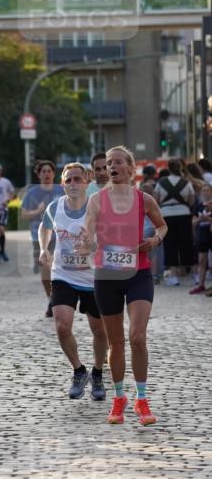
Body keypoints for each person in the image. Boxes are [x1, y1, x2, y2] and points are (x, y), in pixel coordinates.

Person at [78, 146, 167, 426]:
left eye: (117, 162)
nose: (111, 167)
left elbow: (162, 226)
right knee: (115, 341)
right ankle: (119, 398)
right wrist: (85, 242)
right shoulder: (96, 200)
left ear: (131, 169)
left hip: (138, 272)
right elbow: (88, 229)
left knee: (137, 337)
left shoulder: (144, 200)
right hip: (107, 276)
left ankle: (141, 399)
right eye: (107, 163)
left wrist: (155, 240)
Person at [38, 163, 107, 400]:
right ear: (62, 184)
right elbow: (44, 228)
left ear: (87, 182)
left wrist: (93, 246)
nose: (73, 184)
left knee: (99, 330)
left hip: (93, 277)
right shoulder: (55, 207)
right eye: (68, 180)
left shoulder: (96, 208)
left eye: (78, 179)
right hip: (63, 275)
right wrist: (44, 248)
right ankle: (79, 370)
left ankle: (97, 373)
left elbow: (110, 239)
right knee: (62, 326)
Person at [22, 160, 65, 315]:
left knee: (58, 268)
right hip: (38, 236)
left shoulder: (62, 190)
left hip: (60, 235)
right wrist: (37, 211)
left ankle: (60, 299)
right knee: (46, 267)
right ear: (39, 174)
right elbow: (24, 214)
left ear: (54, 174)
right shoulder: (32, 193)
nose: (46, 174)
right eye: (43, 171)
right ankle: (51, 299)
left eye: (49, 171)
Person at [153, 158, 196, 286]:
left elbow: (156, 200)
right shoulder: (186, 182)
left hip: (167, 215)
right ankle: (195, 274)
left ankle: (173, 276)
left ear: (168, 168)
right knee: (186, 244)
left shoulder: (161, 182)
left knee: (170, 244)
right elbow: (192, 201)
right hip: (184, 215)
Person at [189, 181, 212, 293]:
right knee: (202, 260)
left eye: (208, 190)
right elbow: (193, 222)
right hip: (202, 235)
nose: (206, 193)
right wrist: (200, 219)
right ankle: (201, 284)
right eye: (204, 191)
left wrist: (209, 219)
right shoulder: (198, 205)